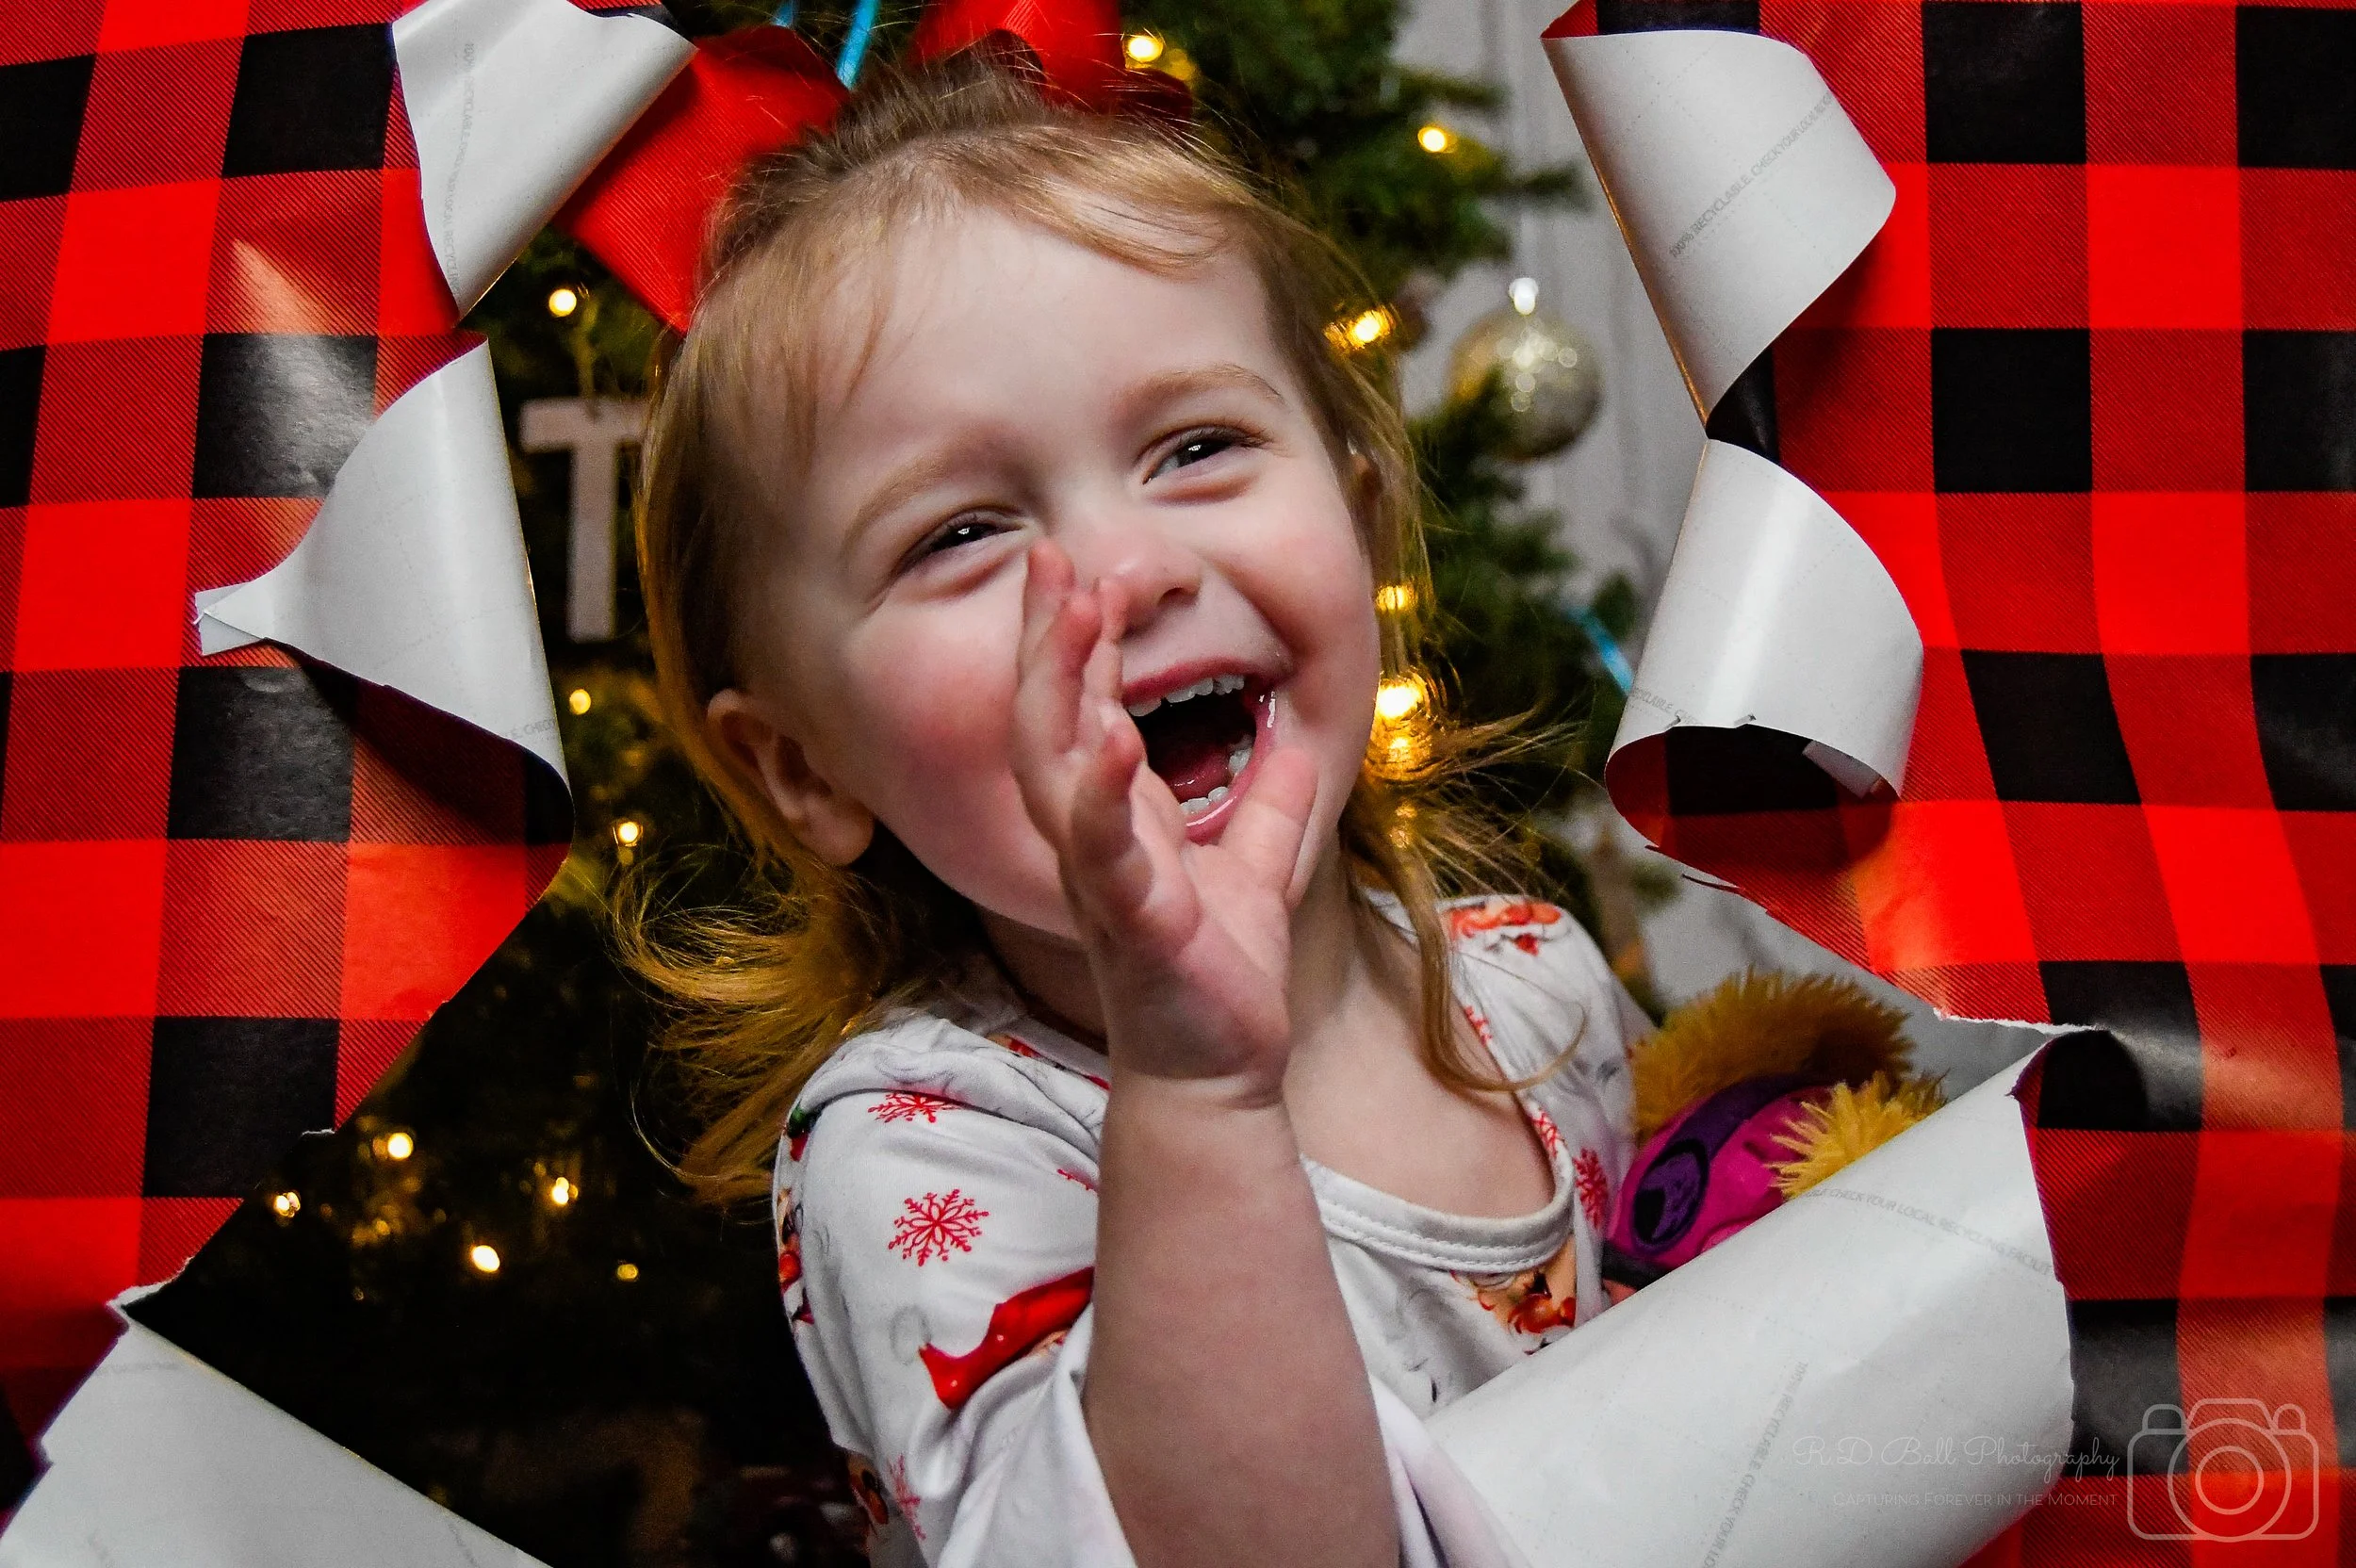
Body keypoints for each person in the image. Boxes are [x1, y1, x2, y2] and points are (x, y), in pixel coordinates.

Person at [625, 49, 1647, 1568]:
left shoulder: (1533, 979)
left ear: (1358, 518)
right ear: (806, 767)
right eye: (962, 533)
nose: (1128, 574)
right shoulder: (924, 1150)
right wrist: (1194, 1082)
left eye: (1200, 446)